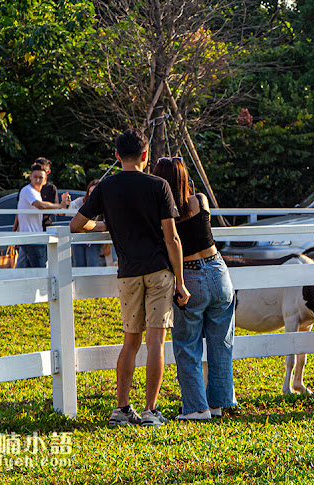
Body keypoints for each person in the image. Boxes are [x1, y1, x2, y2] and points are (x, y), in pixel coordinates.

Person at [69, 129, 190, 427]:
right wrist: (180, 281)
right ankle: (150, 410)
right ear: (146, 156)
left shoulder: (106, 187)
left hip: (128, 273)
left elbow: (76, 224)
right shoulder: (158, 185)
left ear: (117, 156)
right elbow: (171, 238)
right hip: (159, 271)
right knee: (156, 343)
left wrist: (103, 226)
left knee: (130, 342)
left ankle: (122, 408)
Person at [153, 157, 236, 420]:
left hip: (190, 276)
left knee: (187, 345)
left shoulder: (164, 211)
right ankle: (218, 404)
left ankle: (197, 408)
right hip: (219, 270)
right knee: (221, 344)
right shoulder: (199, 199)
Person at [15, 163, 71, 268]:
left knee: (23, 270)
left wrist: (63, 205)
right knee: (40, 269)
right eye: (35, 177)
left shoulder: (36, 192)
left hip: (34, 237)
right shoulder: (28, 190)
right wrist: (60, 205)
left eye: (40, 177)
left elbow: (54, 211)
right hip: (32, 238)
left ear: (45, 179)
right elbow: (40, 205)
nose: (37, 180)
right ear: (30, 177)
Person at [69, 180, 103, 267]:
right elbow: (68, 207)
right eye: (90, 192)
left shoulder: (104, 204)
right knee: (78, 266)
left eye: (94, 192)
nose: (91, 195)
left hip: (93, 240)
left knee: (93, 265)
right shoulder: (81, 201)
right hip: (78, 239)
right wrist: (65, 203)